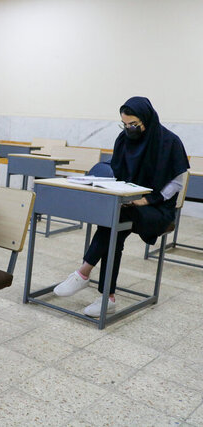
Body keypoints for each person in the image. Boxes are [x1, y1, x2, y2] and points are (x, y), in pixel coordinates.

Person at [53, 96, 189, 317]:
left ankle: (85, 274)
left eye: (133, 124)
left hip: (157, 209)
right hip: (129, 202)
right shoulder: (124, 139)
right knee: (114, 224)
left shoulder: (169, 142)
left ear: (146, 119)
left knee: (114, 222)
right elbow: (118, 172)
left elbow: (176, 184)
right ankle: (106, 297)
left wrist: (147, 200)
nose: (129, 129)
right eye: (124, 125)